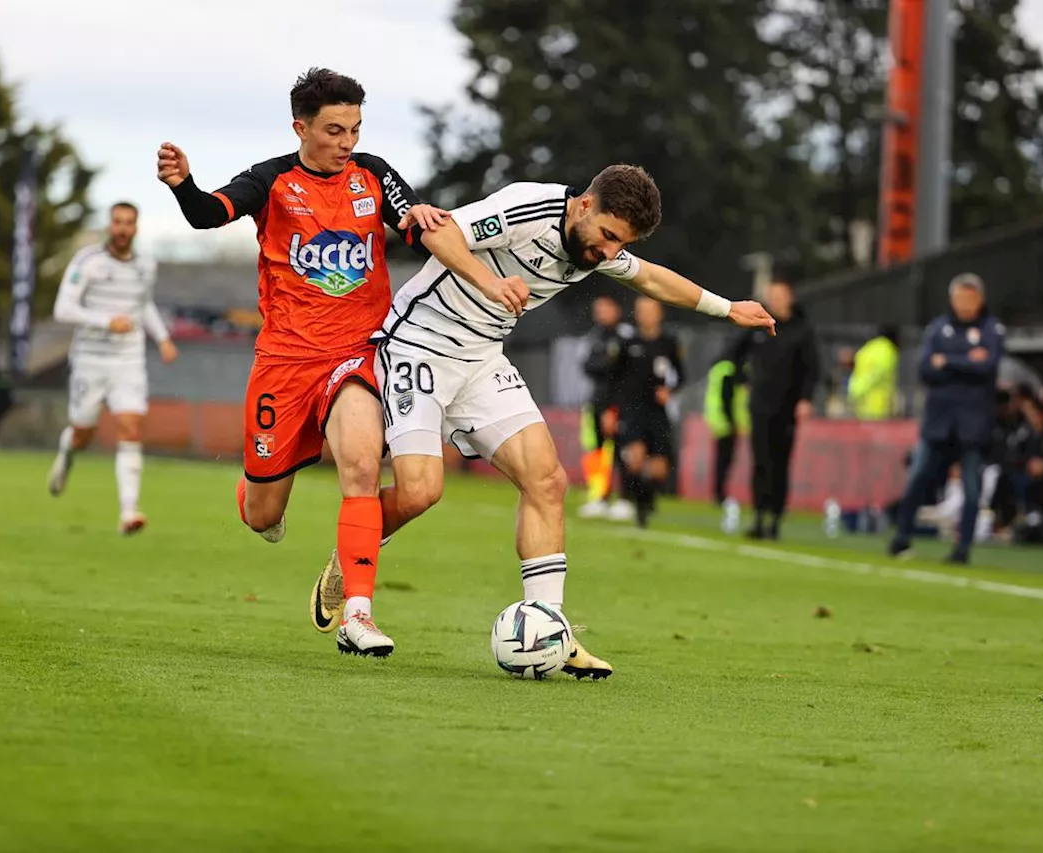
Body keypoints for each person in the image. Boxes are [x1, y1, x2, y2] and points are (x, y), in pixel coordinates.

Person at [314, 164, 775, 678]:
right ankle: (355, 564)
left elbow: (648, 277)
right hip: (419, 345)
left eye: (617, 245)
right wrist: (490, 283)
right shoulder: (529, 207)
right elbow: (438, 232)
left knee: (547, 480)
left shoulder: (595, 246)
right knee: (420, 491)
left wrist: (727, 307)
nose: (606, 253)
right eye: (606, 237)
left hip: (481, 360)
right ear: (584, 205)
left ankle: (550, 626)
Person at [157, 68, 449, 656]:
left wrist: (430, 224)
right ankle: (257, 496)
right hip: (285, 363)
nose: (347, 142)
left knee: (363, 469)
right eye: (335, 130)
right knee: (263, 514)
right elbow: (209, 213)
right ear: (301, 127)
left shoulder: (373, 173)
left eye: (355, 129)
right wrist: (184, 185)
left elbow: (413, 223)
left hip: (357, 354)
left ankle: (358, 614)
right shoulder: (270, 181)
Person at [47, 202, 179, 533]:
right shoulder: (87, 262)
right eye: (117, 222)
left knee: (131, 428)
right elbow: (63, 309)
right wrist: (107, 321)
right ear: (109, 225)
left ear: (136, 227)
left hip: (128, 360)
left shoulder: (146, 265)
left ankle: (129, 511)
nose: (122, 228)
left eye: (129, 223)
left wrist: (162, 337)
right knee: (82, 432)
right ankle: (67, 450)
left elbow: (143, 304)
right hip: (90, 359)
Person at [887, 273, 1004, 564]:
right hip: (939, 422)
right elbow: (926, 368)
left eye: (970, 298)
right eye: (960, 298)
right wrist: (967, 361)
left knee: (972, 488)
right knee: (918, 476)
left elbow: (987, 367)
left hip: (973, 425)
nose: (965, 304)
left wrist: (948, 362)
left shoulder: (992, 329)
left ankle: (962, 547)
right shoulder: (938, 328)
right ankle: (902, 537)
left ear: (980, 300)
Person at [726, 279, 819, 540]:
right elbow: (732, 355)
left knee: (780, 463)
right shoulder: (757, 327)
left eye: (780, 295)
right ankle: (758, 516)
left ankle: (775, 518)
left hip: (787, 407)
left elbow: (811, 369)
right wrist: (742, 382)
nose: (776, 301)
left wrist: (805, 399)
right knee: (761, 462)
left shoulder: (802, 331)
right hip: (760, 405)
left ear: (790, 297)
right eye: (772, 296)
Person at [611, 297, 684, 527]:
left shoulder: (669, 342)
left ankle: (647, 500)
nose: (646, 315)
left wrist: (669, 390)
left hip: (657, 411)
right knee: (635, 460)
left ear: (659, 313)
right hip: (632, 411)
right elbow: (614, 379)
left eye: (650, 310)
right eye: (641, 310)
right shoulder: (627, 342)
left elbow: (682, 374)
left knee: (659, 469)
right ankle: (638, 507)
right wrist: (611, 410)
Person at [577, 295, 634, 520]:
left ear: (616, 309)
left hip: (619, 402)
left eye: (604, 309)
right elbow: (588, 365)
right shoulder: (595, 336)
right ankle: (600, 496)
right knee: (598, 452)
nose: (600, 314)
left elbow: (623, 369)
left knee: (622, 451)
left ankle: (625, 499)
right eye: (597, 309)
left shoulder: (625, 336)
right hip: (597, 400)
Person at [703, 344, 750, 533]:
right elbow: (727, 398)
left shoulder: (720, 367)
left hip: (719, 420)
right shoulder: (730, 370)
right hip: (725, 422)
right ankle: (719, 494)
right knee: (724, 459)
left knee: (722, 459)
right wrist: (732, 422)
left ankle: (718, 493)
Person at [848, 325, 900, 420]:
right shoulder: (887, 349)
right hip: (880, 404)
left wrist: (856, 391)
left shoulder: (867, 348)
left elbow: (857, 371)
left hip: (861, 402)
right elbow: (879, 374)